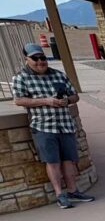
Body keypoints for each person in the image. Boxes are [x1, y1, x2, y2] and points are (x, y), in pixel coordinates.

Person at [11, 43, 96, 209]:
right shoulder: (21, 78)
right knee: (53, 161)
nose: (40, 61)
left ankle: (73, 190)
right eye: (35, 58)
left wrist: (67, 100)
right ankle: (60, 194)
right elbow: (19, 100)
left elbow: (74, 96)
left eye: (42, 57)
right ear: (26, 59)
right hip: (43, 126)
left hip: (64, 124)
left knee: (69, 160)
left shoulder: (58, 75)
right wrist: (46, 101)